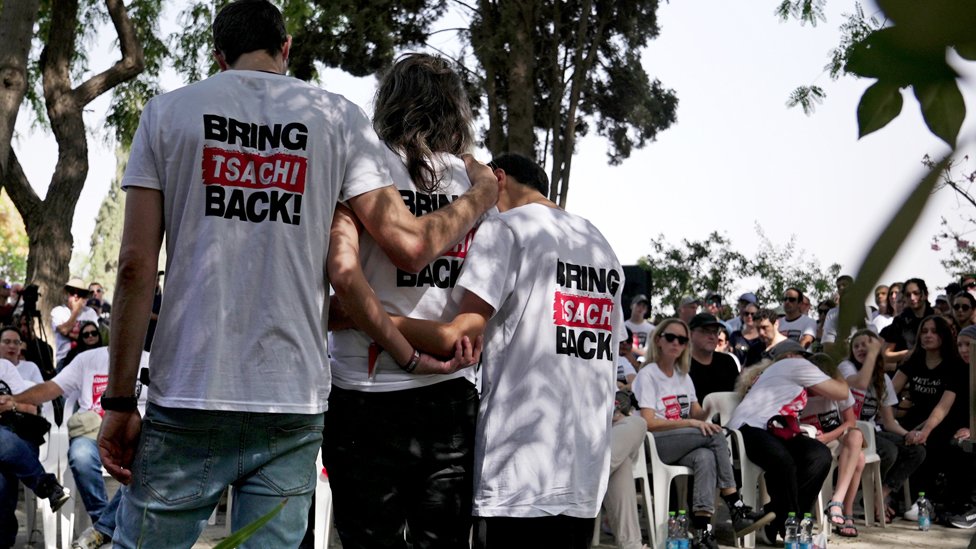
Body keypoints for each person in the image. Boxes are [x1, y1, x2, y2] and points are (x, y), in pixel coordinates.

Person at [97, 2, 499, 546]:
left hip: (190, 388)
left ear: (219, 55)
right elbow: (408, 244)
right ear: (286, 48)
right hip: (291, 399)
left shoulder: (169, 114)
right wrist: (481, 193)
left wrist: (120, 401)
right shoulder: (335, 118)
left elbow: (134, 267)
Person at [389, 153, 624, 548]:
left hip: (519, 466)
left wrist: (368, 316)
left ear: (498, 178)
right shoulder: (599, 243)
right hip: (583, 467)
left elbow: (457, 335)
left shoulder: (507, 228)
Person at [323, 53, 485, 549]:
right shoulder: (475, 183)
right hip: (450, 390)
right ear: (455, 111)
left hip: (362, 389)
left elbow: (338, 290)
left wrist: (358, 317)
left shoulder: (363, 169)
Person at [632, 319, 773, 548]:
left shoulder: (683, 375)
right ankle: (736, 507)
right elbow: (647, 422)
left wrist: (707, 411)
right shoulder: (648, 374)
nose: (676, 343)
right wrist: (691, 422)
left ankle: (702, 532)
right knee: (713, 436)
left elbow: (696, 413)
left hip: (681, 442)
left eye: (682, 339)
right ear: (658, 340)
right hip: (656, 444)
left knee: (705, 457)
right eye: (671, 337)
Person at [10, 346, 150, 548]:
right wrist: (15, 400)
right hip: (92, 429)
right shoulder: (88, 359)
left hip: (138, 432)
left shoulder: (151, 360)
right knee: (80, 456)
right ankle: (103, 523)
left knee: (147, 460)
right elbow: (52, 388)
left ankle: (103, 529)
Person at [727, 341, 850, 545]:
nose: (810, 363)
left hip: (776, 430)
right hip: (748, 429)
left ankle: (774, 519)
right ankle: (792, 529)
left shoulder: (780, 374)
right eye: (806, 357)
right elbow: (842, 392)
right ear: (792, 356)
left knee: (819, 455)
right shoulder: (795, 365)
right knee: (784, 461)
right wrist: (834, 368)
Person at [891, 315, 965, 514]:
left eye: (933, 331)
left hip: (943, 421)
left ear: (943, 336)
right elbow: (889, 392)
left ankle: (924, 499)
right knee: (894, 441)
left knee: (928, 444)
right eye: (924, 332)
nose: (928, 336)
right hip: (913, 418)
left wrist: (925, 431)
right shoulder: (913, 361)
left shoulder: (954, 365)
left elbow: (943, 406)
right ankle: (891, 496)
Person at [0, 362, 70, 548]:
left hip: (17, 435)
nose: (12, 346)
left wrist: (11, 404)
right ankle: (47, 486)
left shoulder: (4, 368)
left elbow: (30, 408)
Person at [799, 353, 864, 538]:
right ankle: (846, 513)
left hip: (834, 437)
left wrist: (828, 436)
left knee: (856, 436)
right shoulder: (801, 391)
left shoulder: (839, 389)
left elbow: (850, 422)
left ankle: (837, 502)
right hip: (809, 441)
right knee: (859, 458)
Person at [601, 392, 648, 549]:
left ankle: (594, 475)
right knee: (620, 462)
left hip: (607, 436)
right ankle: (631, 545)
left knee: (636, 423)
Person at [882, 278, 935, 367]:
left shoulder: (936, 317)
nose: (912, 298)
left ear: (925, 294)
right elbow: (886, 355)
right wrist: (909, 353)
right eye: (908, 295)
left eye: (916, 293)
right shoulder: (900, 321)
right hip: (908, 369)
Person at [687, 313, 739, 401]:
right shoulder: (682, 365)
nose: (712, 336)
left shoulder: (727, 362)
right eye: (705, 331)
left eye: (715, 331)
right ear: (691, 334)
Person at [50, 278, 98, 363]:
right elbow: (64, 330)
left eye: (80, 294)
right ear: (67, 294)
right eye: (72, 293)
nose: (76, 296)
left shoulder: (90, 312)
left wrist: (72, 334)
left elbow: (94, 336)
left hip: (87, 357)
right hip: (64, 359)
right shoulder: (58, 311)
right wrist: (76, 311)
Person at [728, 301, 764, 367]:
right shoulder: (735, 336)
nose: (749, 316)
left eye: (753, 314)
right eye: (746, 314)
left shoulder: (763, 338)